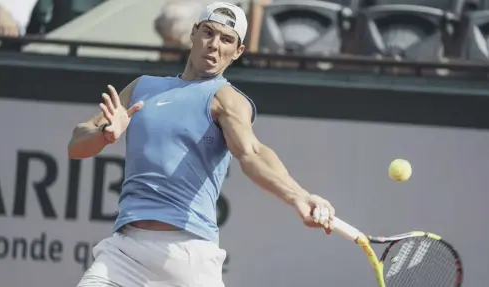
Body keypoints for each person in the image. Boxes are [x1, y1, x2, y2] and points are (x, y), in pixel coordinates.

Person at [68, 2, 335, 286]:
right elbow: (76, 144)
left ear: (238, 52)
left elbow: (252, 153)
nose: (214, 45)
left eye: (226, 40)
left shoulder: (227, 99)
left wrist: (299, 196)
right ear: (193, 33)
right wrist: (104, 135)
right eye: (208, 33)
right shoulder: (141, 87)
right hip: (124, 252)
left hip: (188, 257)